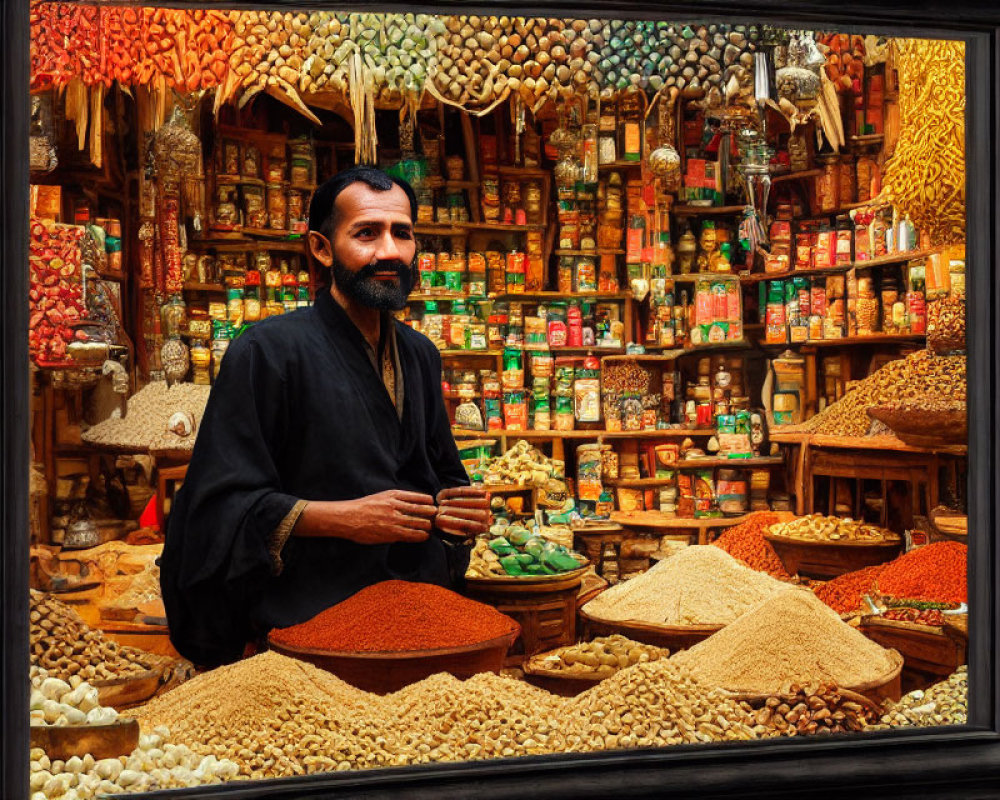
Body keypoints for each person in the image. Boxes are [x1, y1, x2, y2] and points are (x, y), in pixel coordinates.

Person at [160, 165, 490, 667]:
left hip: (414, 615)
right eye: (366, 233)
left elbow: (440, 476)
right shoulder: (267, 353)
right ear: (320, 247)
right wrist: (343, 519)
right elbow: (216, 510)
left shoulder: (420, 355)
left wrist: (459, 513)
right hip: (306, 626)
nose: (388, 252)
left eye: (402, 234)